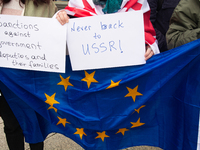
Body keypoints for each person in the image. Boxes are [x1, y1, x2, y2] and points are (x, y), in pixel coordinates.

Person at [0, 0, 57, 149]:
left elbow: (57, 40)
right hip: (3, 81)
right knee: (12, 125)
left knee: (35, 124)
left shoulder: (46, 5)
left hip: (33, 80)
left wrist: (63, 19)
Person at [55, 0, 160, 60]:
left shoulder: (138, 1)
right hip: (89, 74)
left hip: (125, 73)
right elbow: (64, 25)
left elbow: (147, 31)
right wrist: (61, 17)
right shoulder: (79, 1)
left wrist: (150, 46)